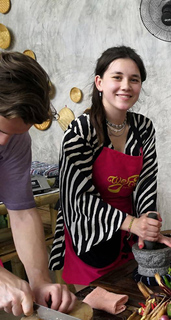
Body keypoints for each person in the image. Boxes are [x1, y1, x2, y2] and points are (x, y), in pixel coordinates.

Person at [48, 46, 171, 287]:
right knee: (99, 305)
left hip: (130, 234)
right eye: (117, 77)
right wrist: (132, 223)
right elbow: (77, 198)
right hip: (89, 231)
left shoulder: (144, 128)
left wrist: (148, 226)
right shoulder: (80, 131)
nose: (126, 86)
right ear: (99, 82)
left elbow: (147, 182)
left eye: (134, 79)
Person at [0, 52, 76, 316]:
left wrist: (40, 280)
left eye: (15, 134)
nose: (3, 144)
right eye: (0, 131)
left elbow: (21, 213)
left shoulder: (15, 140)